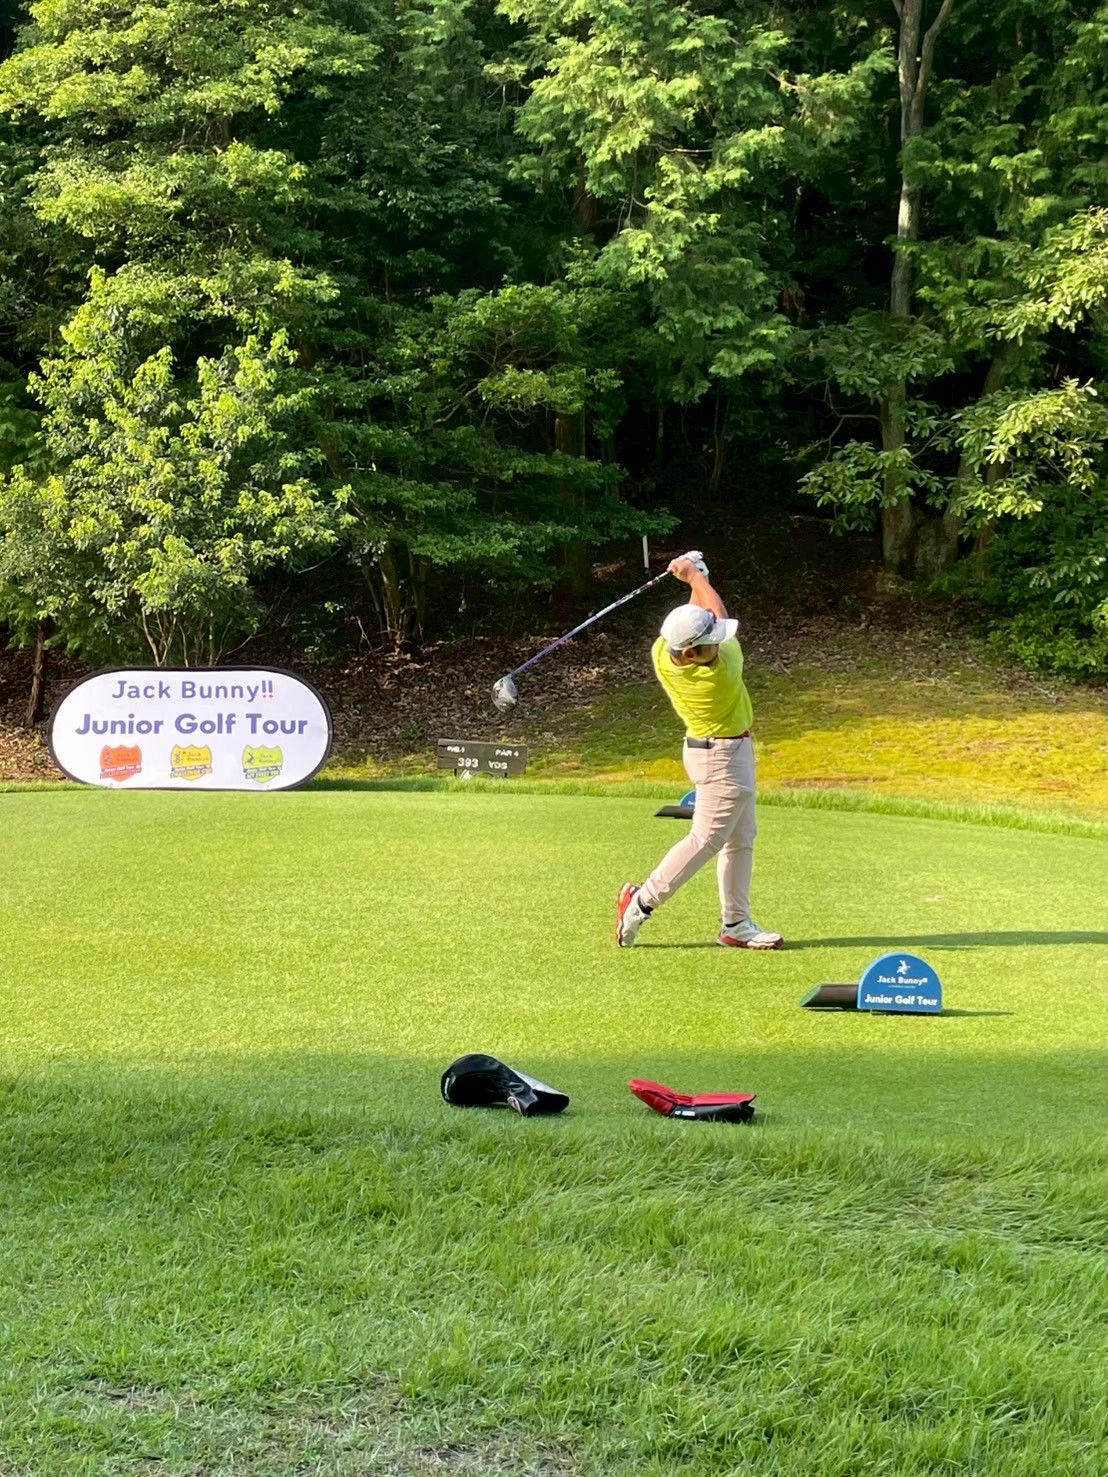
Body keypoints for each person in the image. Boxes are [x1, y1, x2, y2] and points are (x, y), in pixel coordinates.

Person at [616, 553, 783, 950]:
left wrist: (696, 578)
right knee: (705, 839)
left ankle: (736, 924)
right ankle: (640, 903)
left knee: (741, 838)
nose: (718, 644)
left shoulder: (663, 652)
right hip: (723, 759)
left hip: (715, 751)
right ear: (691, 653)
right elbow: (714, 611)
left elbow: (701, 616)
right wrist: (695, 576)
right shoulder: (721, 672)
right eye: (711, 643)